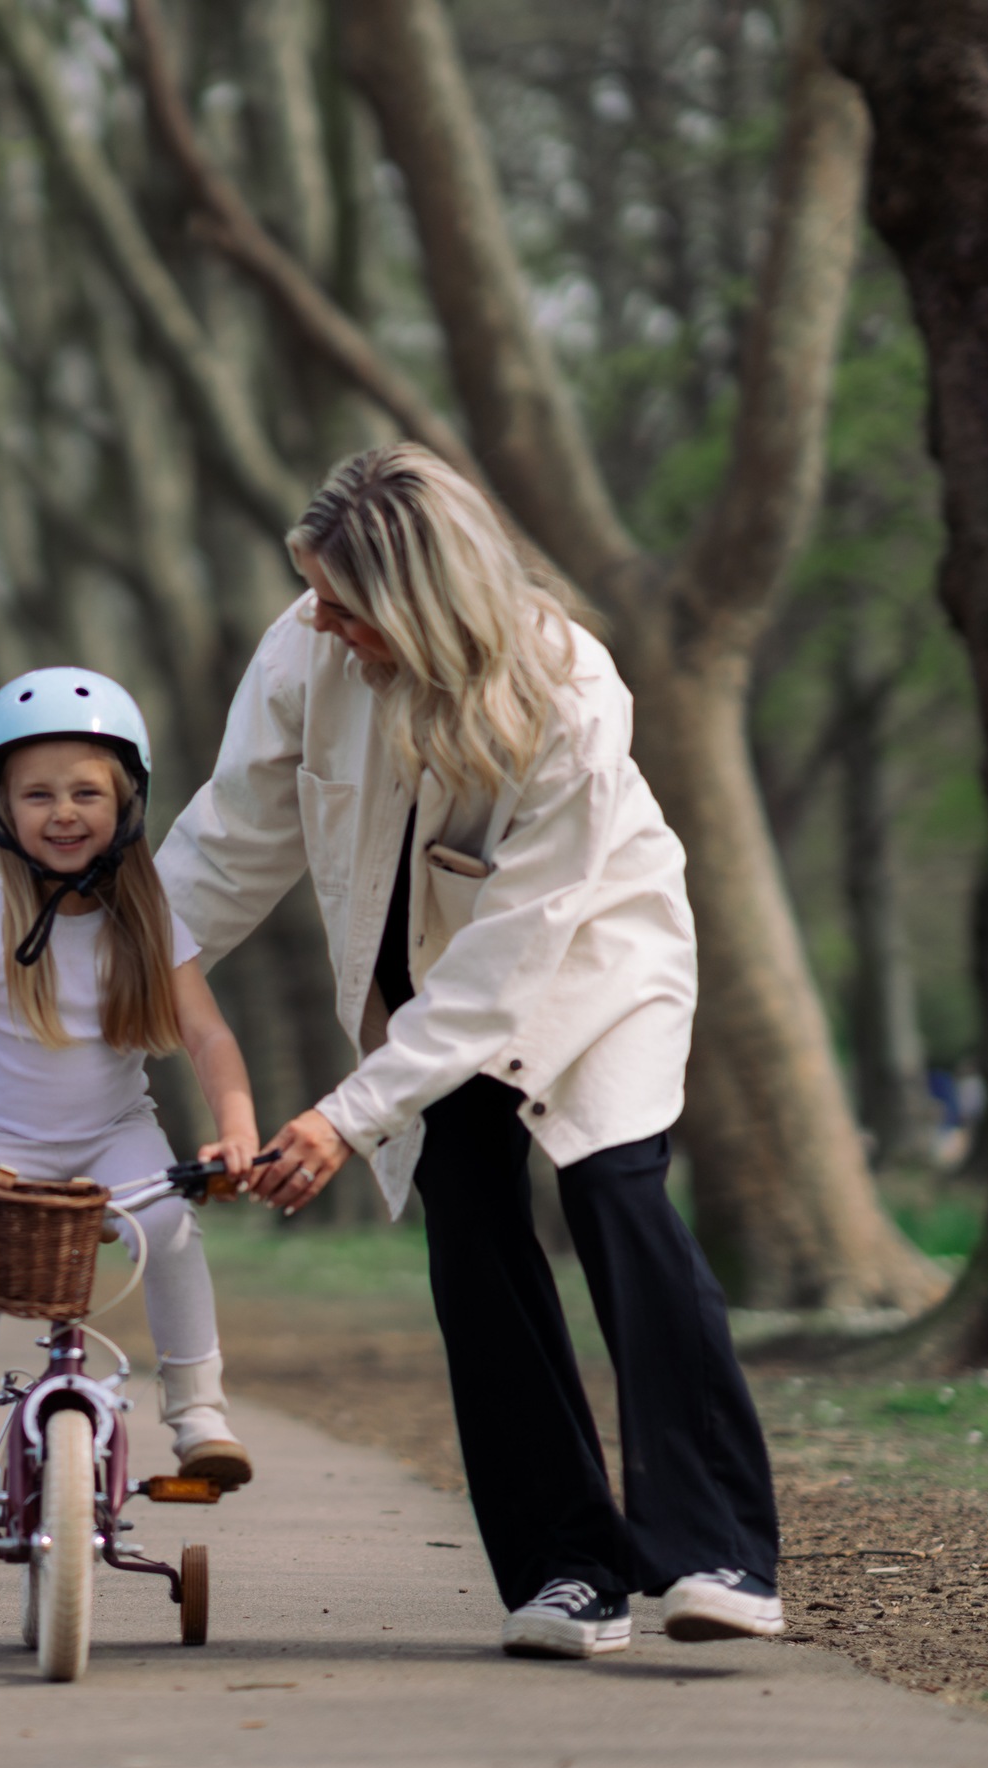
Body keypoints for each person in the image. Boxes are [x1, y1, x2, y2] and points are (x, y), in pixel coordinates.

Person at [156, 443, 783, 1660]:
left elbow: (513, 966)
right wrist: (101, 976)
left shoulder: (573, 697)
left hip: (591, 953)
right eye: (316, 595)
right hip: (421, 971)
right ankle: (566, 1570)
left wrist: (345, 1115)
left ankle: (717, 1554)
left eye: (346, 603)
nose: (320, 621)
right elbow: (231, 838)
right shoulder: (306, 647)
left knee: (615, 1193)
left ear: (423, 605)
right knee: (469, 1214)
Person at [0, 668, 261, 1533]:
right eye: (37, 793)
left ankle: (199, 1412)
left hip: (116, 1136)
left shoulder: (151, 916)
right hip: (5, 1140)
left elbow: (207, 1036)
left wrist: (236, 1131)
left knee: (168, 1226)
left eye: (87, 792)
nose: (63, 811)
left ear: (125, 804)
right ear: (1, 809)